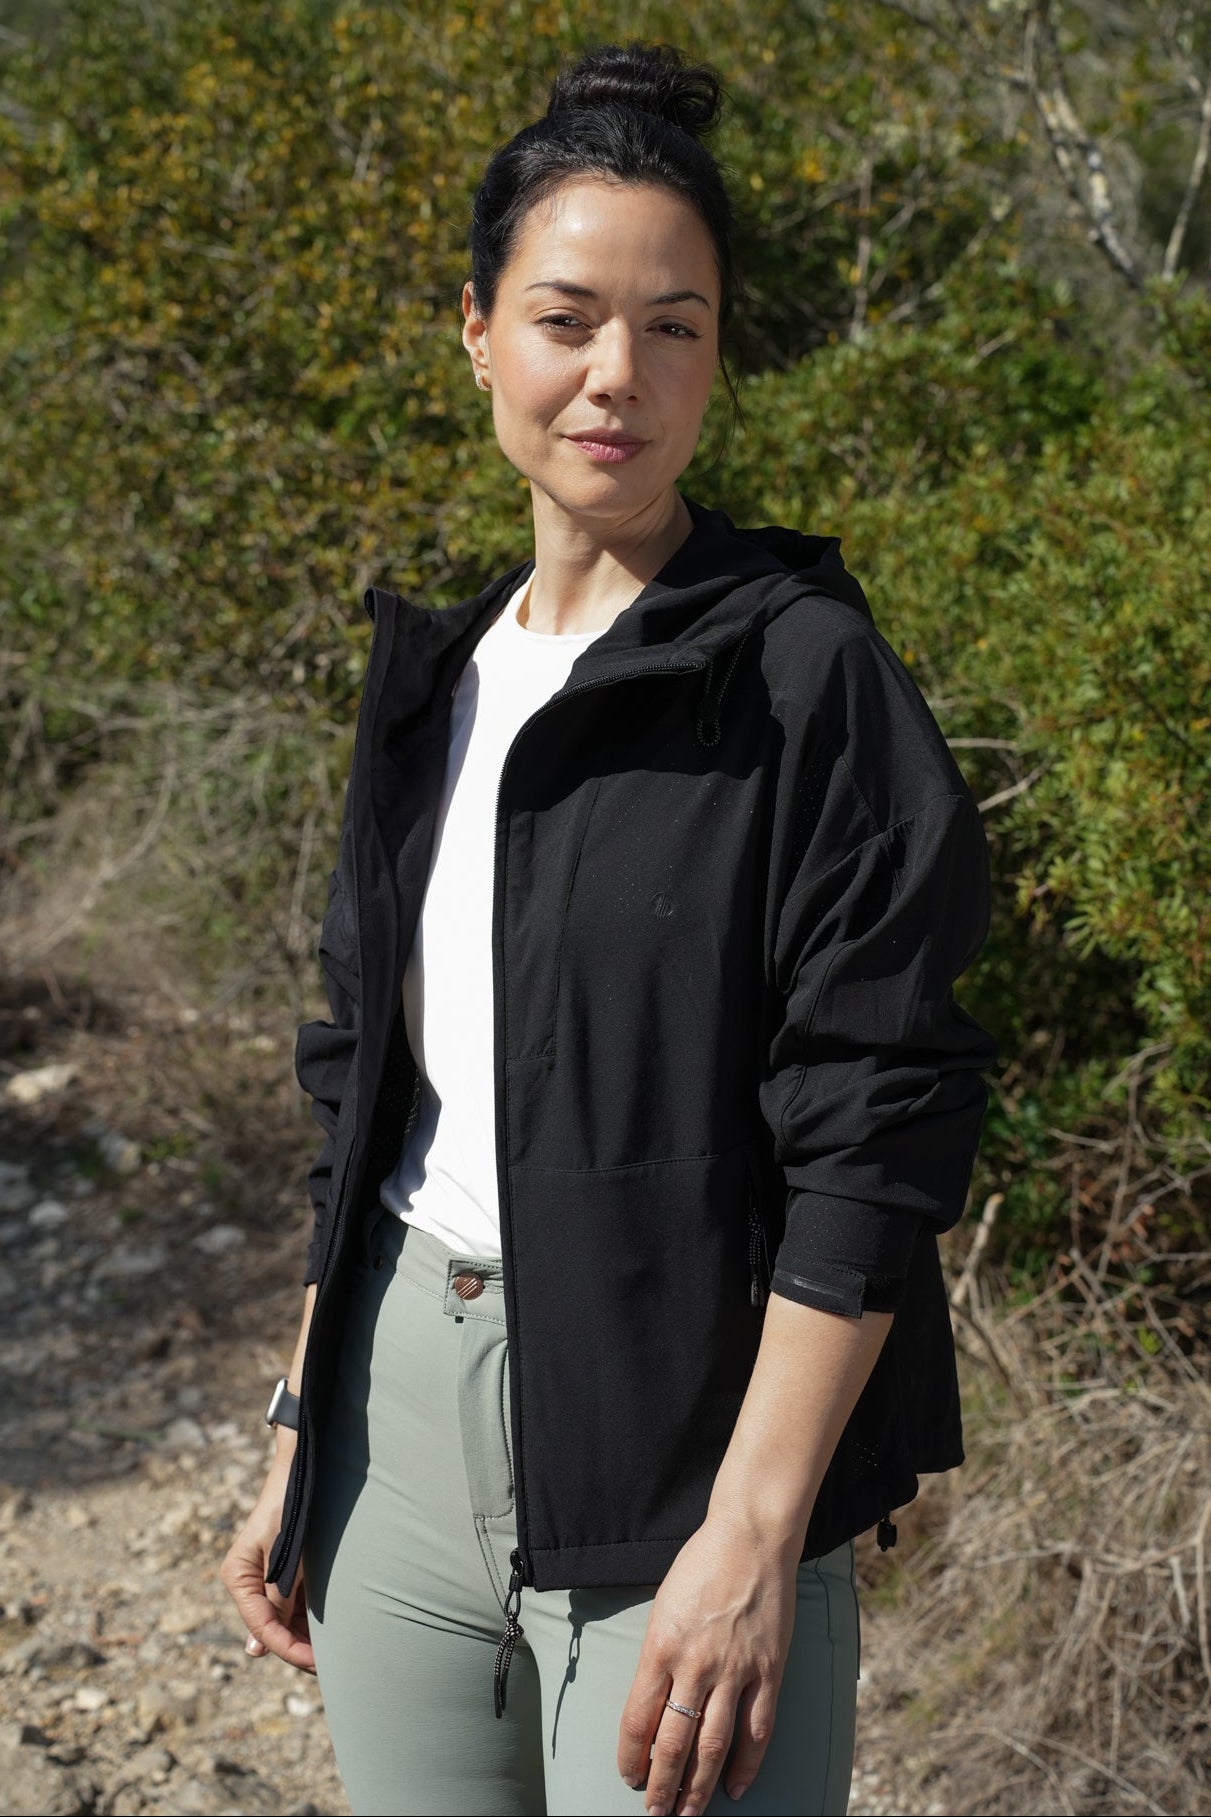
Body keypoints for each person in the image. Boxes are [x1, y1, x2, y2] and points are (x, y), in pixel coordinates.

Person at [221, 41, 995, 1817]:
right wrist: (300, 1417)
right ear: (479, 330)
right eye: (569, 318)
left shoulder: (805, 672)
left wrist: (754, 1533)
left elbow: (878, 1124)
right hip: (398, 1422)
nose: (617, 378)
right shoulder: (438, 685)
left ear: (722, 358)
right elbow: (369, 1100)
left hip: (692, 1441)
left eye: (677, 327)